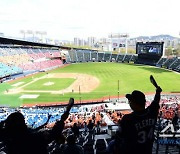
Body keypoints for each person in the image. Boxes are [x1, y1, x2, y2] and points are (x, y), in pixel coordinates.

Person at [0, 98, 74, 154]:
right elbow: (54, 133)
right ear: (23, 124)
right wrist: (66, 112)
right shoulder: (35, 138)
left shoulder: (8, 137)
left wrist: (5, 122)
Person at [115, 86, 162, 154]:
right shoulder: (152, 113)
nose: (129, 102)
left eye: (130, 100)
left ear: (135, 103)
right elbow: (155, 102)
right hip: (147, 151)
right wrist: (158, 92)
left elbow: (118, 139)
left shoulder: (128, 118)